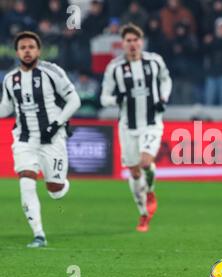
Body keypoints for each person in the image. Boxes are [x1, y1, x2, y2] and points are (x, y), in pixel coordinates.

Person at [0, 31, 81, 247]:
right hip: (24, 139)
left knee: (55, 191)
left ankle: (61, 183)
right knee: (26, 180)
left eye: (31, 47)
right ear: (17, 52)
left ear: (38, 50)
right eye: (22, 47)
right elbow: (6, 108)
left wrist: (57, 124)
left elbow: (74, 100)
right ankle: (39, 234)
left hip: (52, 138)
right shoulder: (10, 79)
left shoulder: (51, 72)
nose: (27, 51)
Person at [100, 23, 172, 232]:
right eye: (128, 41)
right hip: (127, 126)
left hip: (151, 123)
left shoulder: (154, 61)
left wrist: (163, 98)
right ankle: (143, 213)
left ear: (141, 42)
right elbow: (104, 98)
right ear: (122, 44)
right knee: (133, 171)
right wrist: (116, 98)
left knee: (145, 161)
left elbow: (166, 80)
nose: (132, 44)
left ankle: (150, 191)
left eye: (135, 40)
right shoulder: (114, 67)